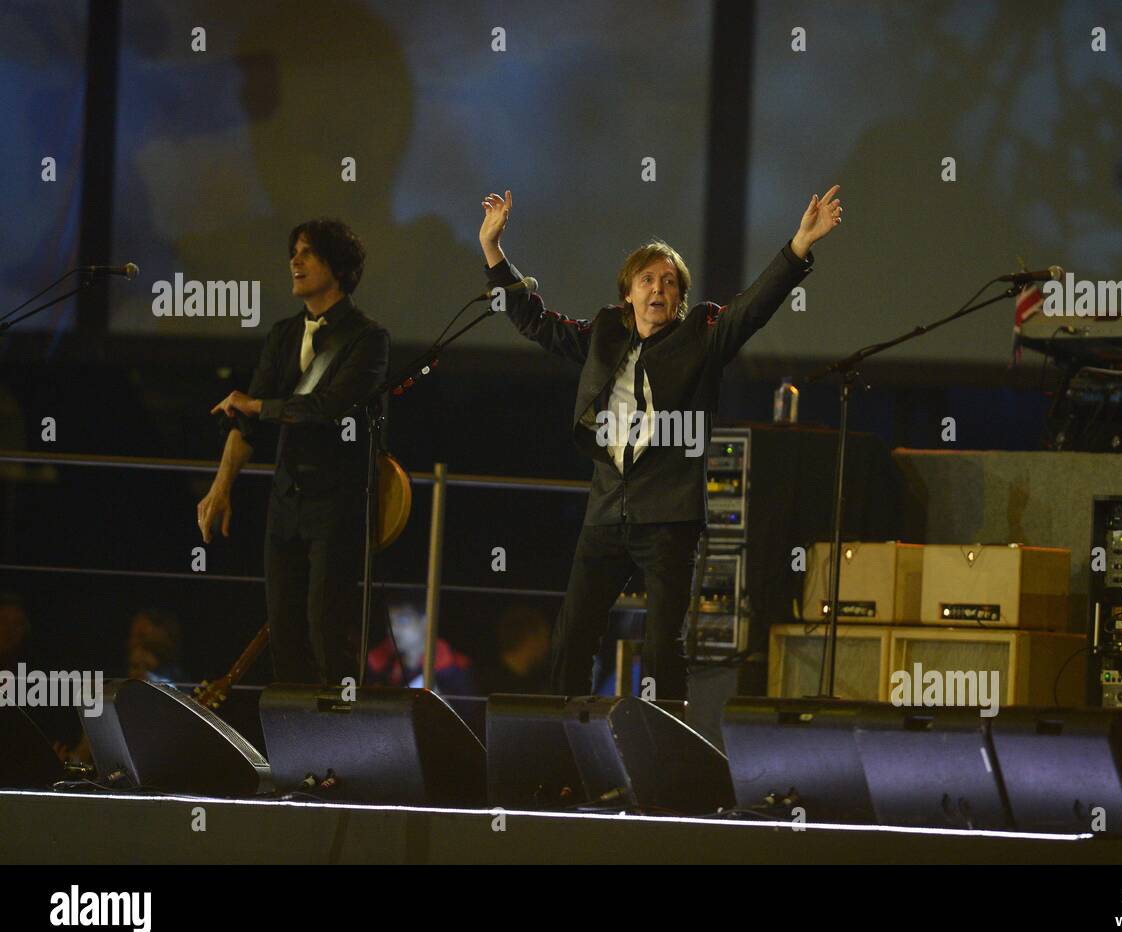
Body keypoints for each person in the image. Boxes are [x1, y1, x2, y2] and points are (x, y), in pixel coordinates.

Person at [478, 186, 843, 700]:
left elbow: (752, 309)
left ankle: (663, 754)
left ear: (680, 299)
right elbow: (536, 321)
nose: (658, 289)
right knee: (572, 638)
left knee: (660, 647)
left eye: (669, 282)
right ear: (628, 292)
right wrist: (494, 251)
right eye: (647, 279)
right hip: (606, 512)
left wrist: (800, 243)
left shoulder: (701, 335)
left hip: (668, 515)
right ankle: (564, 749)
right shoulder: (605, 333)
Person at [197, 218, 389, 684]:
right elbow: (247, 424)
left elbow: (326, 408)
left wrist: (256, 404)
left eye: (308, 253)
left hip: (338, 503)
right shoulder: (283, 334)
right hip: (285, 504)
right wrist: (220, 487)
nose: (295, 262)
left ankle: (339, 748)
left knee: (328, 630)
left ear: (337, 267)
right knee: (284, 635)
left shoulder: (368, 339)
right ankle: (290, 750)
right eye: (293, 252)